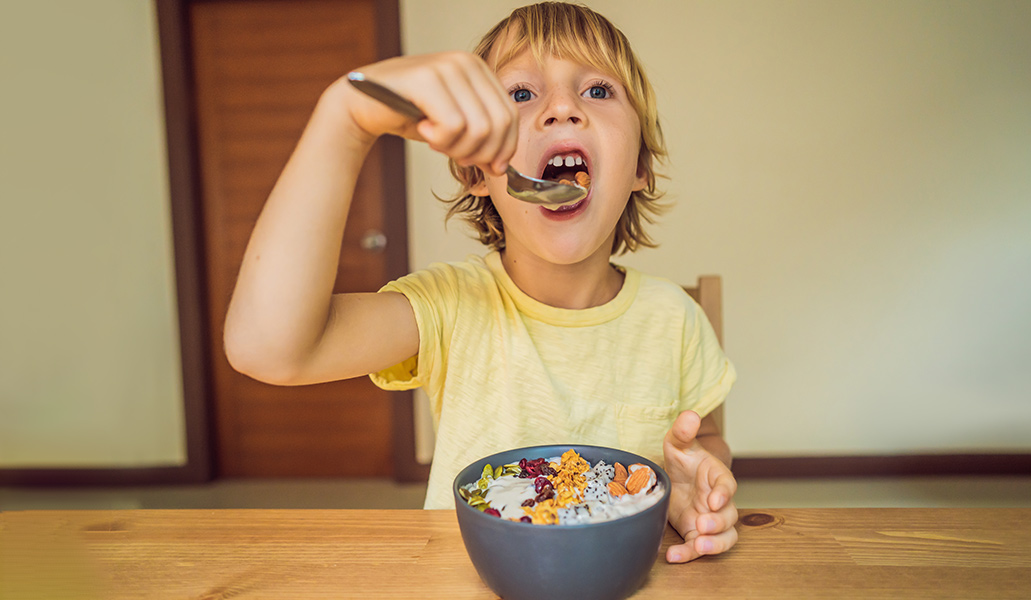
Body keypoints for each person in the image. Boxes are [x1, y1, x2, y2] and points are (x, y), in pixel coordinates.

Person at [224, 2, 738, 563]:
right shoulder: (448, 307)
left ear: (640, 166)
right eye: (521, 94)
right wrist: (345, 118)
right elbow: (269, 349)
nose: (561, 108)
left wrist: (693, 484)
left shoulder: (675, 318)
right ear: (477, 172)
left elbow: (705, 439)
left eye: (596, 91)